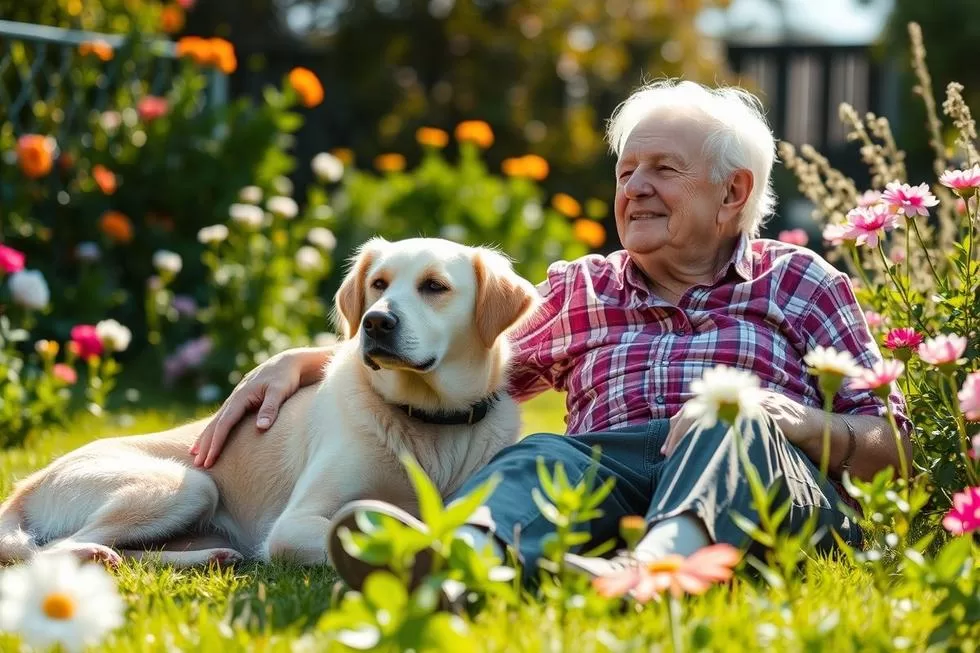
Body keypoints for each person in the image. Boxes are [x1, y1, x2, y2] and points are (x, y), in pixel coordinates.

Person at [189, 79, 912, 589]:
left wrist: (800, 420)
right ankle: (449, 560)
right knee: (538, 451)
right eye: (627, 170)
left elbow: (896, 448)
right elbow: (459, 358)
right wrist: (312, 358)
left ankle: (657, 570)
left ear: (734, 193)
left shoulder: (802, 281)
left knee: (729, 419)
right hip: (611, 488)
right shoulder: (582, 289)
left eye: (664, 169)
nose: (635, 188)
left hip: (762, 489)